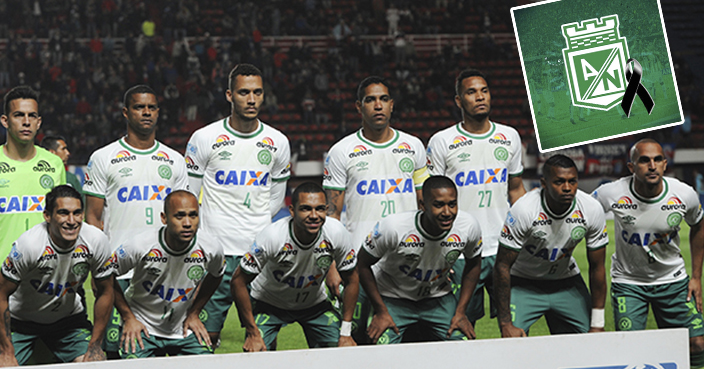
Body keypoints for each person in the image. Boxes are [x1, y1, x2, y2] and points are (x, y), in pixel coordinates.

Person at [185, 63, 291, 348]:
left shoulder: (277, 142)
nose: (252, 98)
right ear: (229, 95)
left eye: (257, 92)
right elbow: (190, 197)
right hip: (214, 254)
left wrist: (253, 223)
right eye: (244, 92)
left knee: (262, 342)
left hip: (258, 255)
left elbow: (275, 199)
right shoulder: (204, 138)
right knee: (203, 340)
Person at [83, 84, 189, 357]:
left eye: (152, 107)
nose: (146, 113)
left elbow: (184, 216)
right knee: (120, 352)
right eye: (139, 107)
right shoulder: (103, 158)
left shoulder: (175, 161)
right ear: (125, 113)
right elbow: (93, 217)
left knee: (169, 348)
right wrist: (99, 267)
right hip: (120, 272)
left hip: (165, 270)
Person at [323, 76, 428, 342]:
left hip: (406, 259)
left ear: (392, 105)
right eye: (370, 100)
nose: (378, 105)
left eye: (383, 99)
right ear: (359, 107)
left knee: (409, 340)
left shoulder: (413, 146)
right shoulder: (341, 151)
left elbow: (425, 205)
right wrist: (332, 266)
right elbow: (331, 214)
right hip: (358, 261)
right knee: (354, 338)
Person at [591, 139, 704, 367]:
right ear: (631, 167)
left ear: (665, 163)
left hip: (673, 281)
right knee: (629, 350)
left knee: (698, 344)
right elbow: (582, 208)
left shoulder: (684, 194)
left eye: (657, 160)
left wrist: (696, 277)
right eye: (644, 161)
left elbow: (699, 225)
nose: (651, 166)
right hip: (629, 283)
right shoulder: (611, 193)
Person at [427, 69, 526, 327]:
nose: (480, 97)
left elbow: (516, 190)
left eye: (484, 90)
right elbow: (428, 202)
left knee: (513, 324)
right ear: (459, 101)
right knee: (458, 326)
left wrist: (529, 235)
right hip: (459, 251)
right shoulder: (442, 142)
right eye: (471, 92)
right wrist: (436, 252)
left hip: (503, 248)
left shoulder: (510, 137)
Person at [231, 183, 359, 351]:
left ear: (326, 209)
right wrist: (252, 332)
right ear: (292, 210)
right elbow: (238, 281)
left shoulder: (336, 232)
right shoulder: (272, 236)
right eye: (306, 209)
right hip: (268, 304)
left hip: (314, 306)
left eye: (320, 209)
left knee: (341, 350)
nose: (314, 215)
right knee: (257, 354)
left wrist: (346, 333)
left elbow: (352, 280)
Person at [356, 176, 483, 344]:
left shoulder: (468, 226)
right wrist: (381, 310)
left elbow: (473, 264)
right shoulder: (393, 227)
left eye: (452, 204)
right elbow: (362, 263)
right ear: (423, 205)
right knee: (380, 347)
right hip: (393, 298)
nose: (447, 212)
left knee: (463, 344)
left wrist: (460, 312)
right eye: (438, 205)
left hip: (438, 298)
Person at [494, 154, 607, 337]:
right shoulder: (524, 210)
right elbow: (502, 265)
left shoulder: (591, 209)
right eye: (559, 182)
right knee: (512, 343)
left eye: (572, 181)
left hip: (566, 282)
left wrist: (598, 323)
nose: (567, 188)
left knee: (592, 339)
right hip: (523, 283)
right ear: (544, 183)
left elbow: (597, 267)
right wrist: (505, 323)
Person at [0, 185, 115, 366]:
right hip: (20, 322)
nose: (72, 221)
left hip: (68, 322)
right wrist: (6, 350)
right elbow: (1, 293)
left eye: (77, 213)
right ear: (47, 216)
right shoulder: (29, 245)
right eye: (63, 213)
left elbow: (106, 291)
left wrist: (95, 346)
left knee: (95, 365)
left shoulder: (96, 240)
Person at [111, 190, 224, 358]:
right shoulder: (140, 245)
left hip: (183, 329)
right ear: (164, 218)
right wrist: (128, 317)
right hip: (142, 326)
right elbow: (105, 275)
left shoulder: (211, 247)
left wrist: (194, 313)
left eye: (193, 216)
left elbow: (217, 274)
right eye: (179, 216)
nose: (187, 223)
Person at [0, 86, 66, 258]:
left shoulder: (54, 164)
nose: (27, 121)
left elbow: (63, 219)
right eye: (19, 115)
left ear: (39, 122)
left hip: (46, 270)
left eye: (32, 116)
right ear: (5, 121)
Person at [40, 135, 84, 203]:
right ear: (52, 152)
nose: (68, 153)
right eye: (63, 149)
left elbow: (82, 203)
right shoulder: (36, 175)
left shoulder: (71, 178)